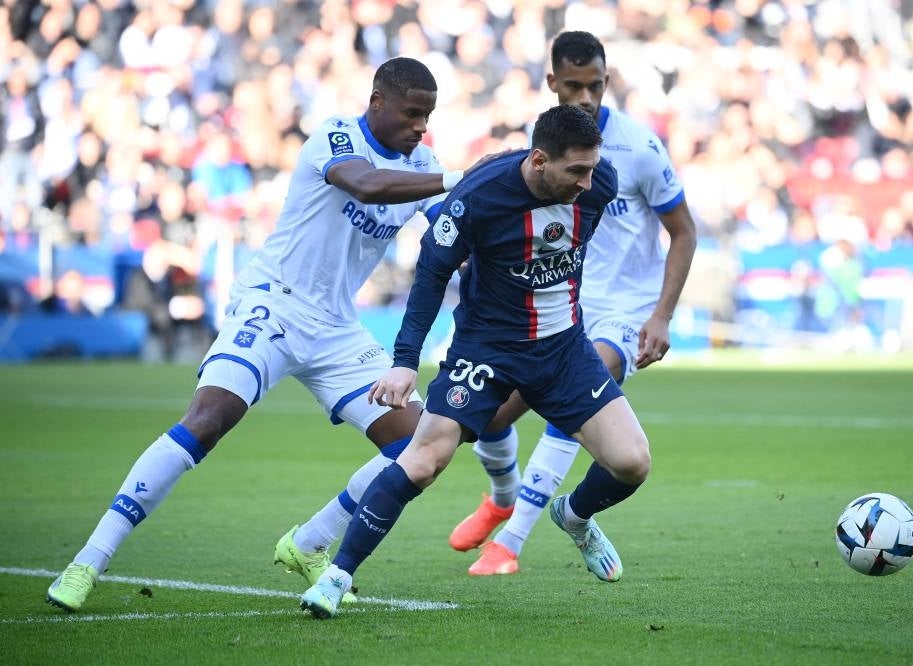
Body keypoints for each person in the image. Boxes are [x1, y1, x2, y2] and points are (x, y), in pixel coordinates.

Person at [45, 57, 471, 612]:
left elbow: (454, 226)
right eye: (413, 114)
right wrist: (458, 176)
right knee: (208, 420)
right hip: (273, 304)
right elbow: (365, 186)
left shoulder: (423, 162)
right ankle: (88, 560)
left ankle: (310, 541)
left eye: (428, 116)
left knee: (423, 445)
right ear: (377, 103)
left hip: (337, 327)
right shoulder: (337, 137)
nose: (421, 126)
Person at [298, 103, 651, 620]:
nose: (587, 181)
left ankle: (573, 517)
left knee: (632, 463)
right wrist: (404, 361)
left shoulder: (598, 184)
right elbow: (430, 275)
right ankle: (337, 575)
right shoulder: (481, 197)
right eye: (575, 170)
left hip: (562, 350)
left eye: (592, 168)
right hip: (488, 352)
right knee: (421, 460)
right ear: (537, 161)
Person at [450, 31, 697, 576]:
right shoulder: (542, 150)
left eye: (596, 86)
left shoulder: (639, 147)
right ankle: (502, 497)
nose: (587, 98)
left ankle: (526, 535)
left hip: (621, 311)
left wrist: (661, 314)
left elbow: (683, 231)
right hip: (553, 303)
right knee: (483, 419)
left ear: (608, 82)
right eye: (575, 87)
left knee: (591, 382)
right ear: (553, 84)